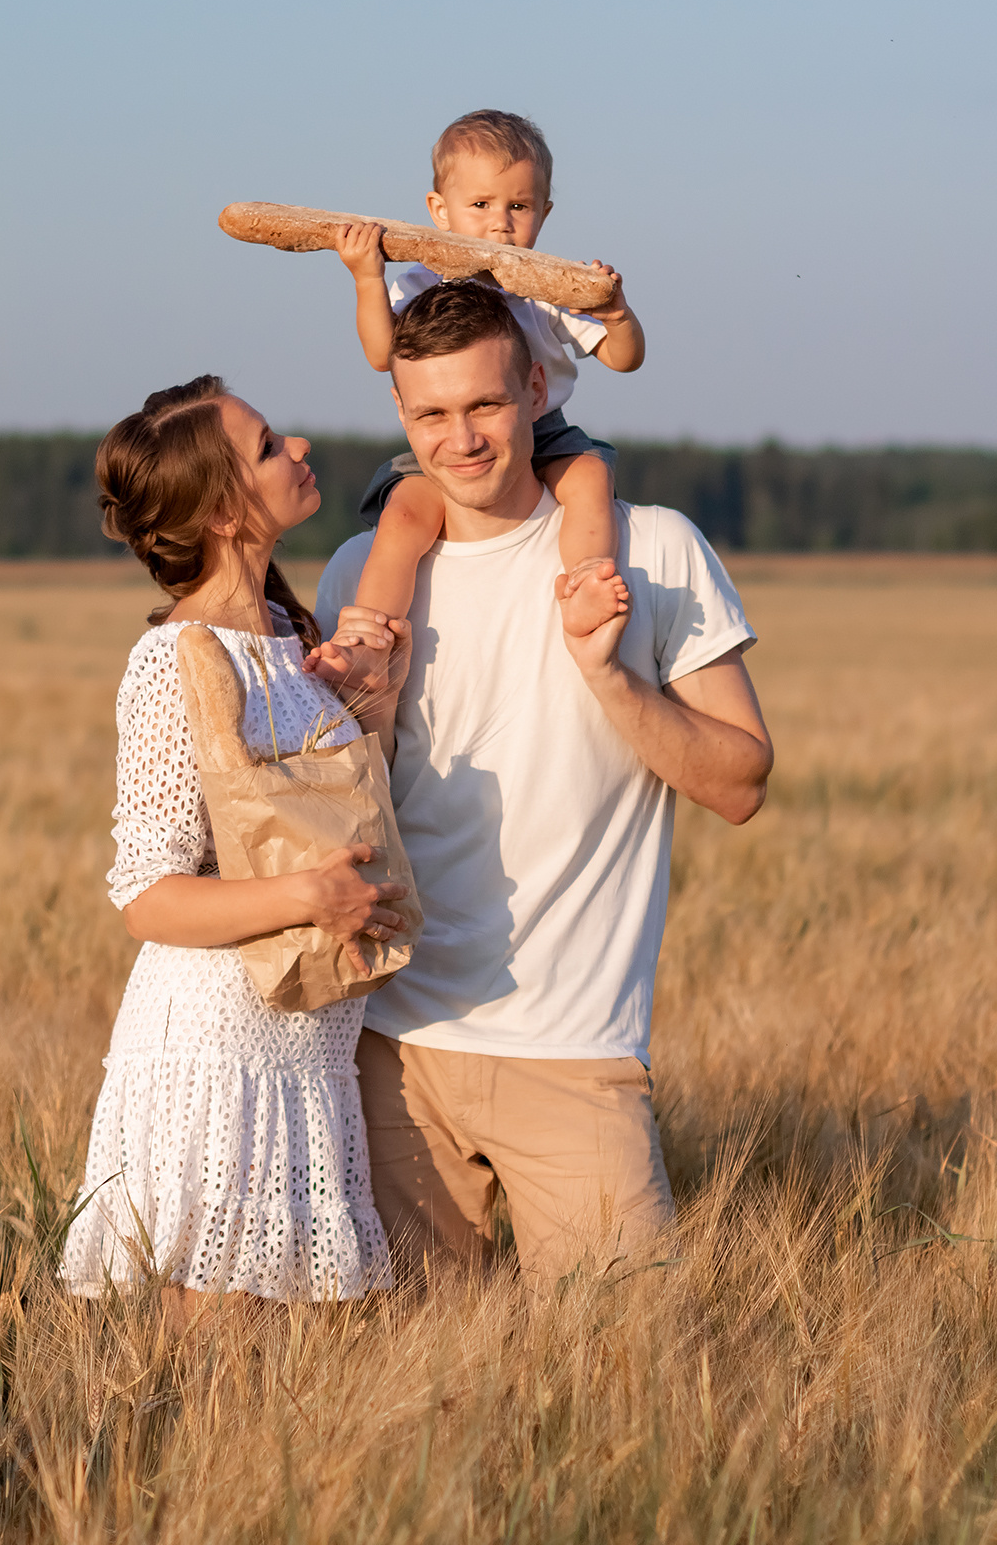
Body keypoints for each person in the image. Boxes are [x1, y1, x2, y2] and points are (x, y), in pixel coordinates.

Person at [314, 282, 774, 1285]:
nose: (460, 439)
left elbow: (740, 782)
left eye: (482, 406)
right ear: (400, 415)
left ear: (534, 388)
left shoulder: (648, 552)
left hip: (572, 1053)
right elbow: (350, 808)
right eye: (429, 414)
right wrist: (370, 713)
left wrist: (607, 674)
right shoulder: (359, 573)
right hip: (390, 1048)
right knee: (411, 1383)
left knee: (628, 1382)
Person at [61, 375, 410, 1318]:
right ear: (222, 512)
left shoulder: (293, 638)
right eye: (266, 447)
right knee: (209, 1369)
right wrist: (310, 901)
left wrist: (371, 708)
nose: (297, 448)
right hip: (219, 1063)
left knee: (277, 1384)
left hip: (303, 1052)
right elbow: (148, 895)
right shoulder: (173, 660)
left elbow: (309, 822)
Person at [334, 108, 646, 638]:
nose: (500, 222)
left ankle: (586, 583)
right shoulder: (419, 283)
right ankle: (367, 633)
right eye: (480, 204)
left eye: (518, 206)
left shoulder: (547, 288)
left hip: (544, 431)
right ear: (440, 209)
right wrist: (367, 277)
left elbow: (624, 358)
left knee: (590, 479)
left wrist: (615, 313)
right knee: (405, 515)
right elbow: (382, 353)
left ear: (543, 214)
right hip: (449, 434)